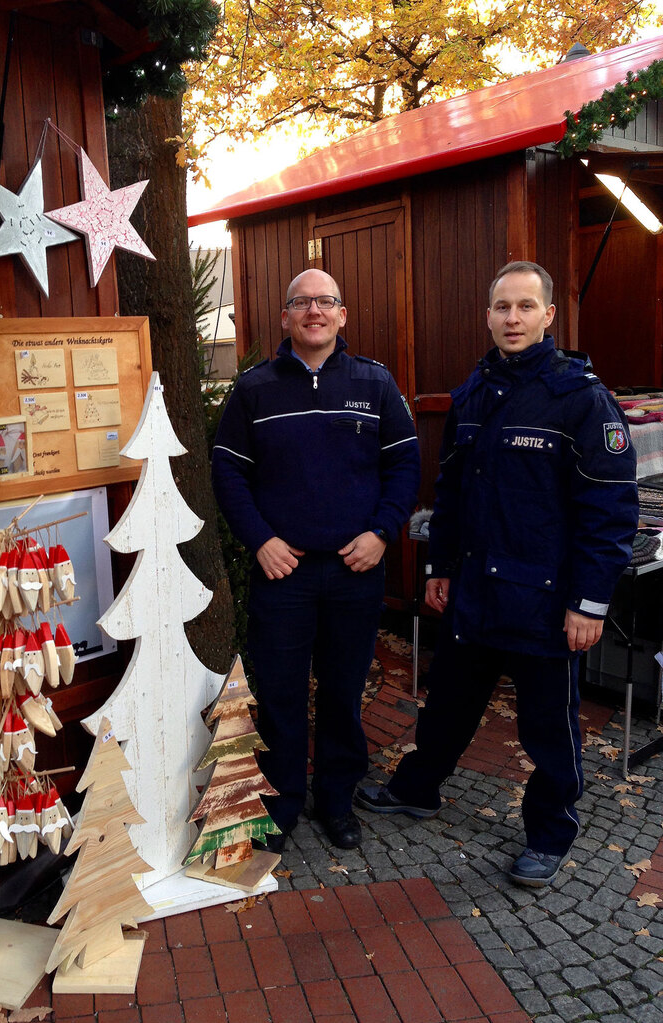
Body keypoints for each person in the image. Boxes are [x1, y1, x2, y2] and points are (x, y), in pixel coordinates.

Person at [356, 260, 639, 886]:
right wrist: (439, 566)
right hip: (475, 593)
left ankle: (550, 832)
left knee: (548, 728)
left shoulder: (582, 400)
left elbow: (609, 512)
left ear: (549, 316)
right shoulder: (475, 394)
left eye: (525, 307)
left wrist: (589, 604)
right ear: (488, 315)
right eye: (502, 308)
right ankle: (418, 789)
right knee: (448, 706)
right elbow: (452, 491)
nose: (513, 319)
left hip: (544, 602)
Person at [212, 268, 420, 851]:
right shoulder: (254, 388)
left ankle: (335, 800)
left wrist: (382, 532)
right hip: (285, 572)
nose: (314, 312)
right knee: (279, 692)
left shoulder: (375, 384)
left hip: (356, 569)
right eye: (302, 303)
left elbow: (405, 466)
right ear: (285, 317)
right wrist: (259, 539)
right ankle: (281, 803)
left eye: (326, 301)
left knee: (343, 689)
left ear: (342, 315)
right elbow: (227, 470)